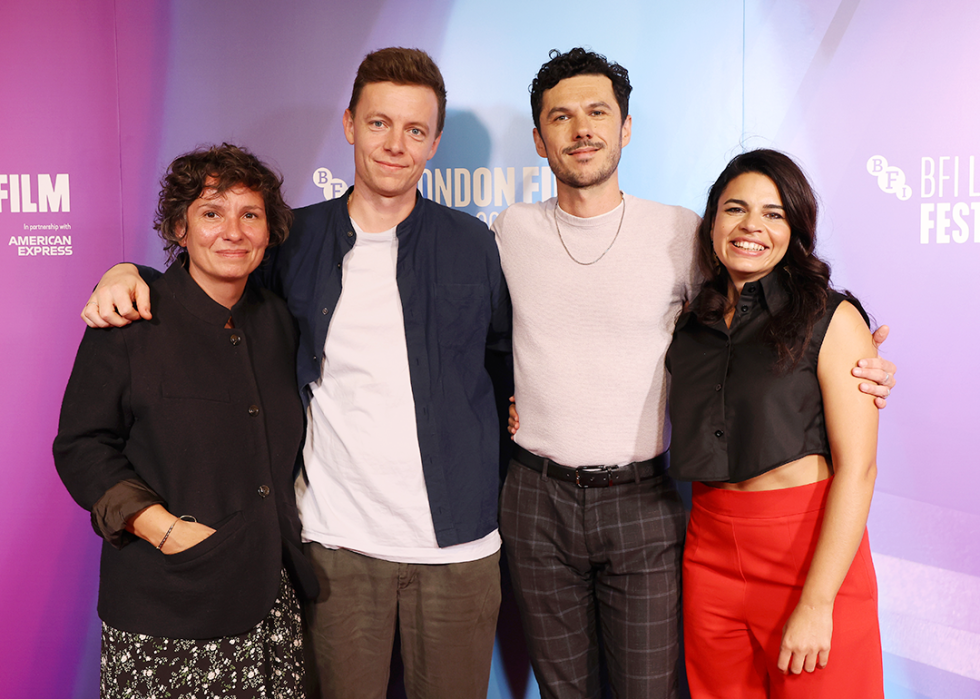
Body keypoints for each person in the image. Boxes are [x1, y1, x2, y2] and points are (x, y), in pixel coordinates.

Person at [79, 48, 509, 699]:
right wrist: (127, 272)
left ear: (435, 141)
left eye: (415, 129)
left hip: (457, 549)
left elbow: (499, 359)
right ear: (348, 124)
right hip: (333, 545)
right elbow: (206, 288)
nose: (395, 144)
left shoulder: (473, 242)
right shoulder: (296, 241)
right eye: (378, 123)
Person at [495, 49, 895, 699]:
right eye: (561, 117)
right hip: (543, 499)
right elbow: (480, 338)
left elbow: (778, 317)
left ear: (626, 128)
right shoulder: (507, 231)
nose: (582, 128)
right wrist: (508, 400)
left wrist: (860, 356)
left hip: (648, 501)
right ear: (539, 140)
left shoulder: (680, 235)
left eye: (598, 112)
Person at [53, 144, 317, 697]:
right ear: (179, 227)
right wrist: (164, 531)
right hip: (165, 609)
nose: (233, 231)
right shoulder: (130, 317)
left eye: (250, 214)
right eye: (211, 213)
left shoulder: (278, 322)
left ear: (269, 232)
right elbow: (81, 445)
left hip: (271, 605)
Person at [665, 149, 884, 698]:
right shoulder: (689, 325)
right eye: (735, 209)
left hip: (808, 552)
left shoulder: (831, 317)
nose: (751, 227)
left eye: (773, 213)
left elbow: (858, 469)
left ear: (796, 228)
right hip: (709, 551)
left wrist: (817, 601)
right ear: (712, 220)